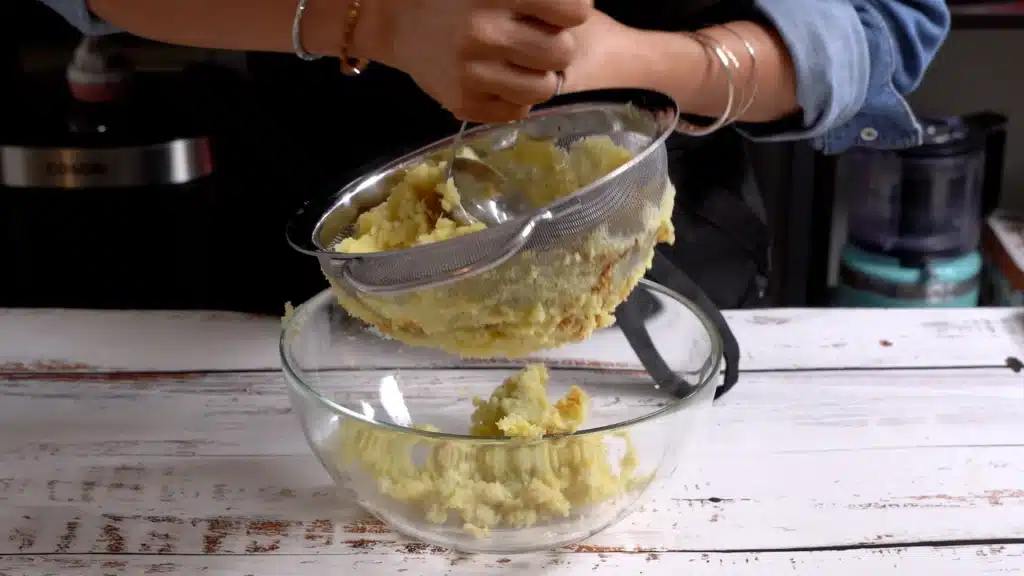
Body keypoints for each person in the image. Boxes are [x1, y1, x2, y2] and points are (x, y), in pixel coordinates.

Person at [37, 0, 950, 313]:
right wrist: (371, 17)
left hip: (661, 284)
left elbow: (888, 22)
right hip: (298, 257)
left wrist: (631, 57)